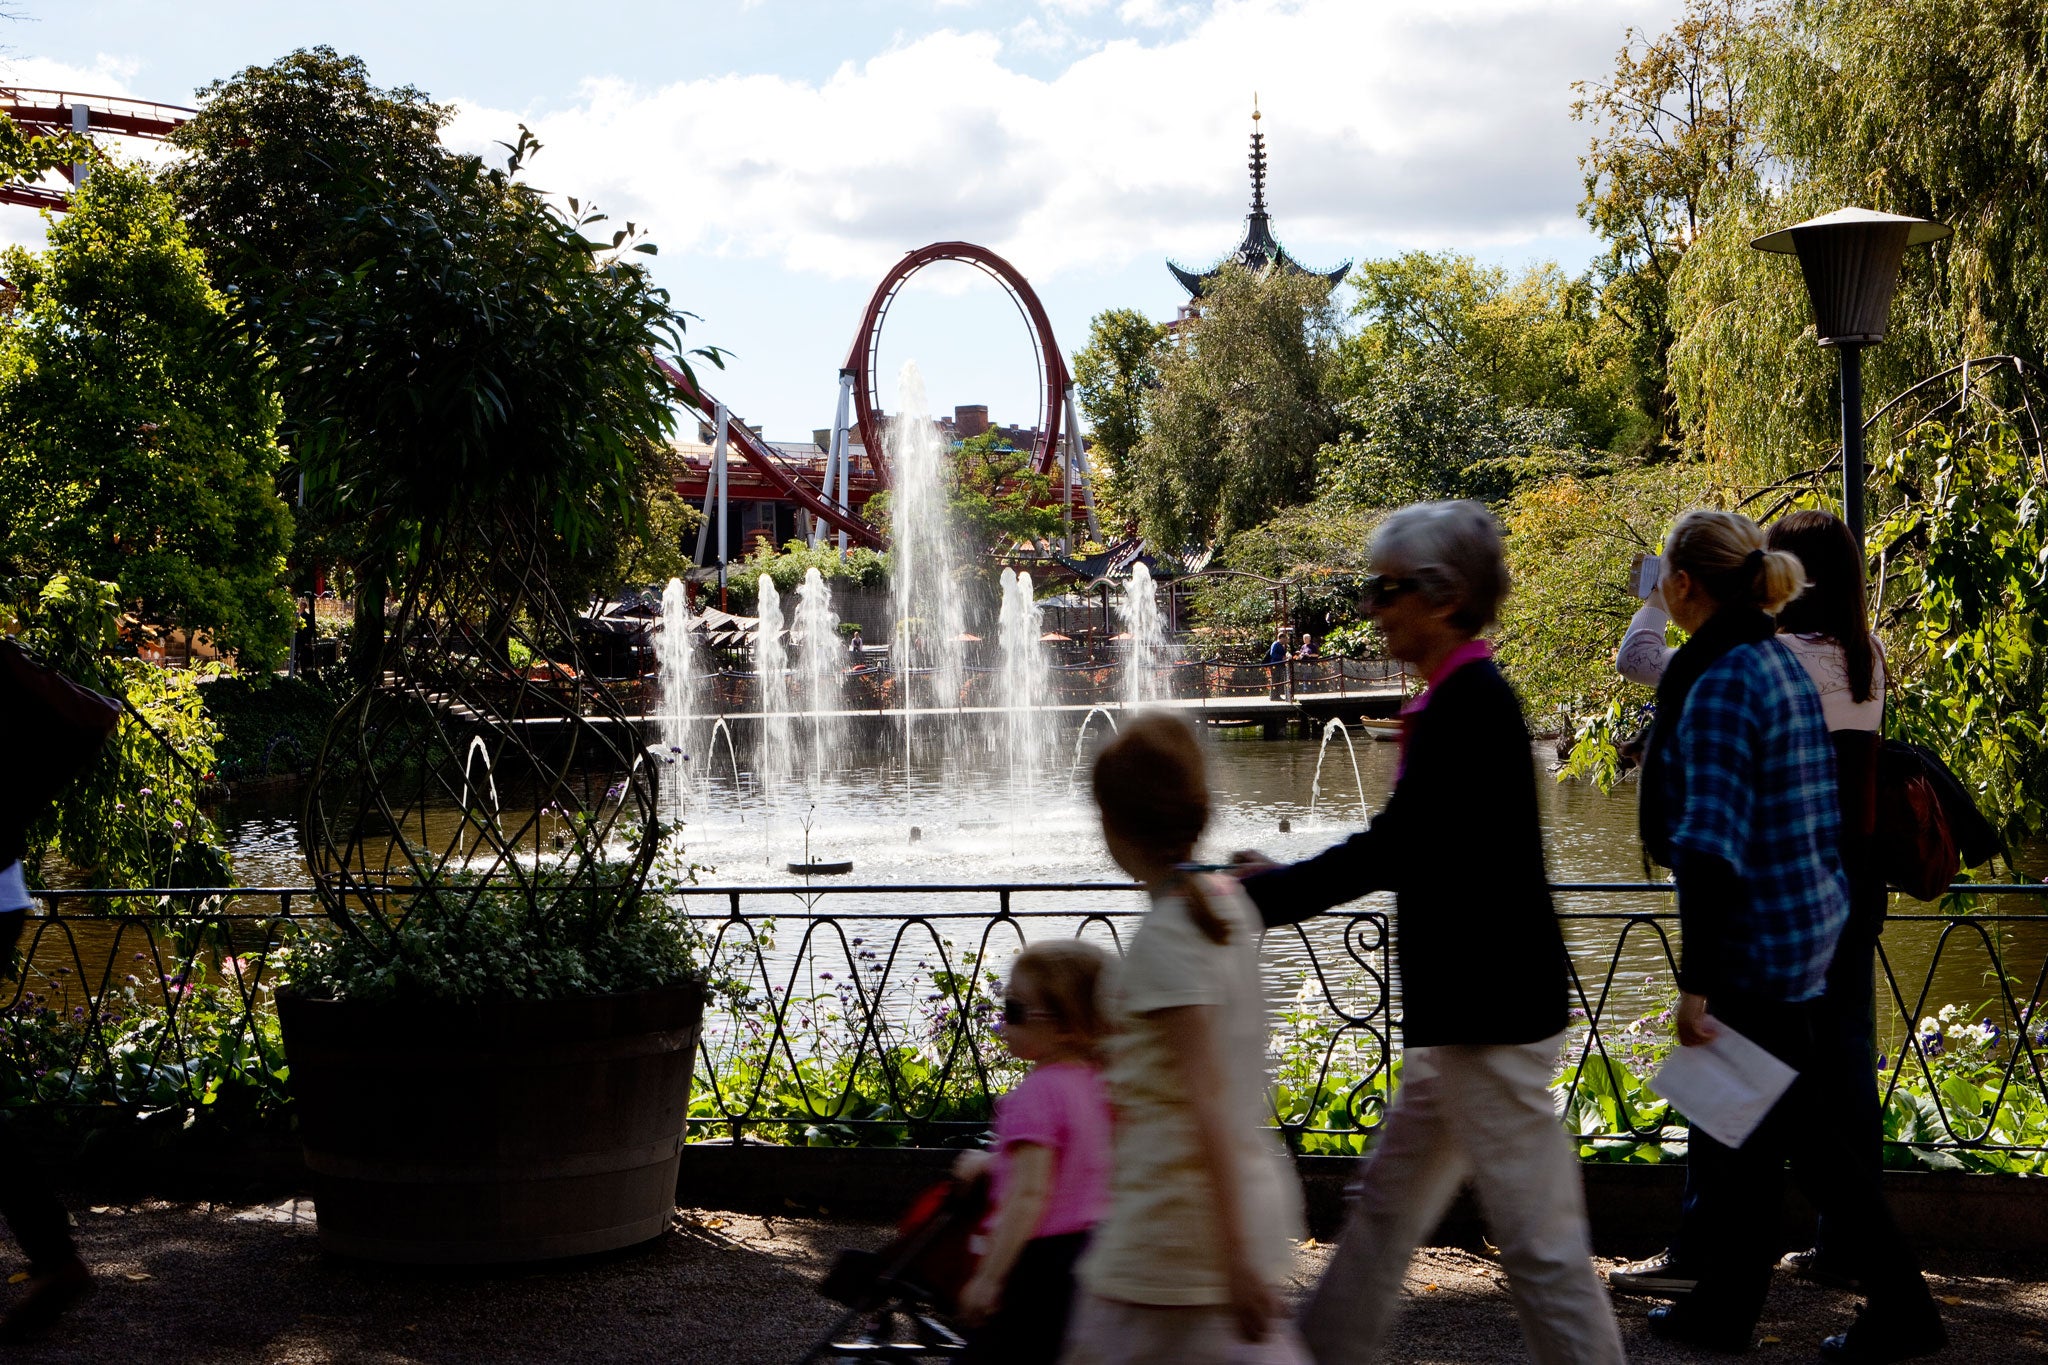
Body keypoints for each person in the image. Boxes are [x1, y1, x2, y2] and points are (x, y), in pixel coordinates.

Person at [1232, 500, 1623, 1365]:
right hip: (1464, 1017)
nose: (1375, 605)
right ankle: (1318, 1353)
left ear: (1442, 596)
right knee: (1384, 1211)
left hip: (1488, 1019)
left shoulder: (1468, 704)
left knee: (1540, 1248)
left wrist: (1265, 896)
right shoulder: (1459, 697)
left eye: (1388, 588)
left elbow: (1397, 848)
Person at [1633, 509, 1940, 1361]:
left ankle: (1903, 1310)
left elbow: (1710, 841)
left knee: (1798, 1140)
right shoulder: (1775, 661)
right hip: (1802, 928)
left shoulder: (1728, 678)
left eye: (1663, 574)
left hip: (1754, 947)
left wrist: (1697, 982)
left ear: (1684, 585)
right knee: (1753, 1135)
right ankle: (1724, 1309)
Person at [1064, 713, 1306, 1365]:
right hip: (1206, 1220)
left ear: (1114, 828)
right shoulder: (1223, 906)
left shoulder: (1169, 935)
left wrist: (1233, 1259)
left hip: (1169, 1233)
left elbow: (1205, 1102)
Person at [950, 941, 1114, 1364]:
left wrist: (988, 1278)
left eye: (1015, 1009)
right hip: (1098, 1251)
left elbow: (1029, 1196)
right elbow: (1076, 1162)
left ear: (1064, 1026)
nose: (1003, 1019)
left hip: (1040, 1261)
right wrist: (994, 1161)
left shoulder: (1035, 1096)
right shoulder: (1102, 1084)